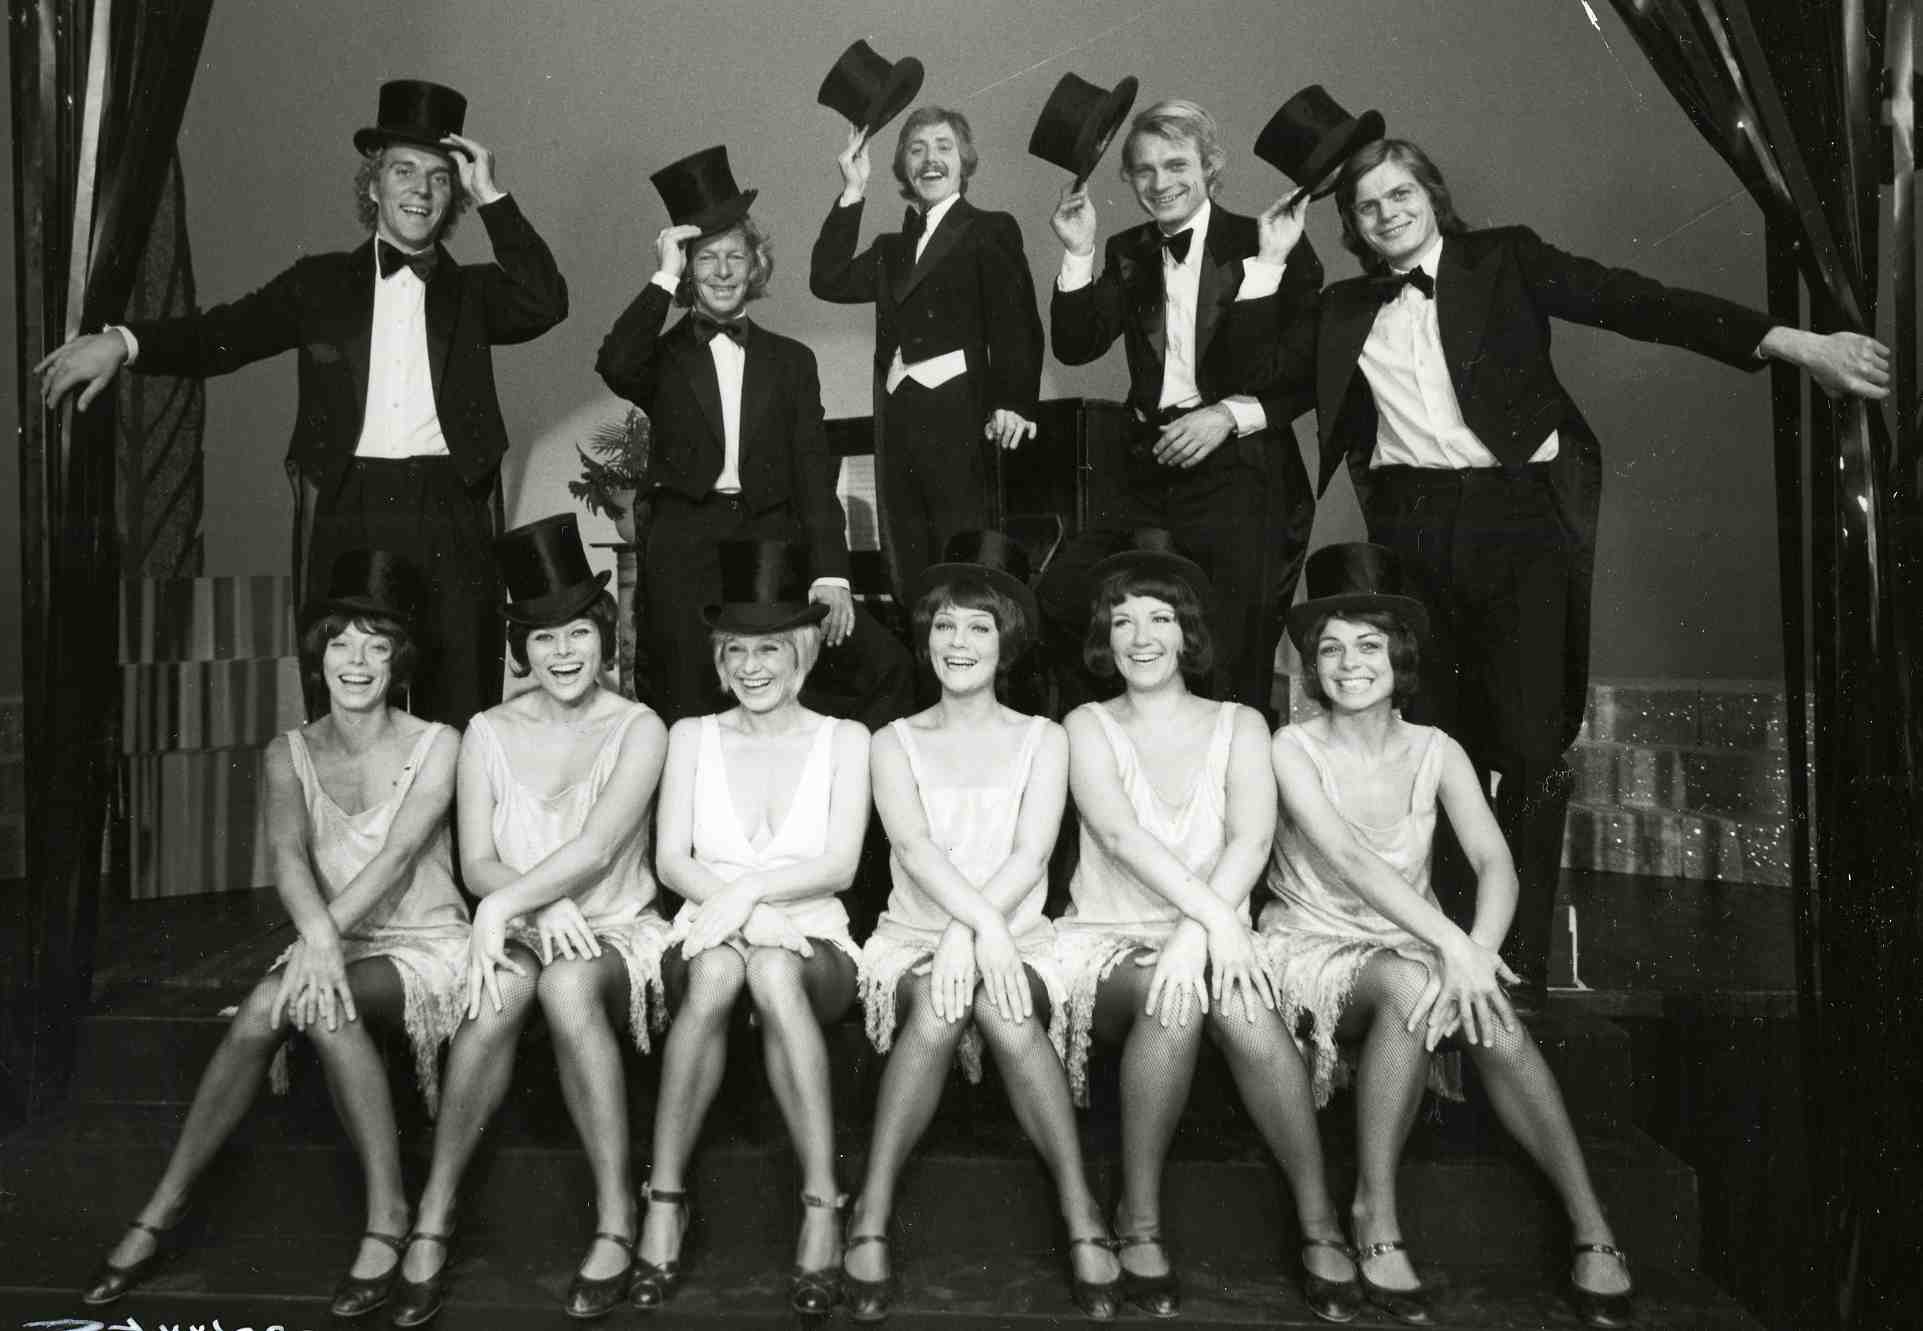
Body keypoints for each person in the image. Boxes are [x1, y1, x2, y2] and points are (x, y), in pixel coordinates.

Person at [1235, 136, 1891, 1000]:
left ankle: (1518, 973)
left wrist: (1793, 343)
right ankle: (1442, 956)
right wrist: (1268, 263)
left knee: (1530, 742)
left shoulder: (1502, 258)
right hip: (1411, 528)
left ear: (1431, 195)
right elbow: (1256, 375)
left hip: (1517, 518)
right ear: (1351, 226)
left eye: (1401, 194)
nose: (1387, 213)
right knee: (1432, 738)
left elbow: (1634, 301)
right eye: (1367, 206)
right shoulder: (1342, 306)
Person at [34, 80, 568, 726]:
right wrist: (123, 342)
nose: (422, 191)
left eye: (439, 178)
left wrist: (491, 195)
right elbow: (221, 337)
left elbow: (546, 300)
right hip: (348, 502)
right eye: (404, 170)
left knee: (459, 699)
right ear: (373, 186)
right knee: (347, 698)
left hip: (450, 506)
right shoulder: (318, 285)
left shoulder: (475, 294)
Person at [80, 550, 467, 1319]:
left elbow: (395, 857)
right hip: (338, 939)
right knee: (265, 1006)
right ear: (317, 656)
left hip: (426, 941)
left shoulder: (439, 742)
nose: (356, 662)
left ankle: (388, 1212)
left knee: (318, 1001)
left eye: (376, 646)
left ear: (398, 660)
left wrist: (318, 941)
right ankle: (164, 1204)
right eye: (340, 643)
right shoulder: (286, 751)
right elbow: (287, 856)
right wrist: (320, 939)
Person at [1264, 541, 1633, 1327]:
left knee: (1483, 1007)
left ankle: (1591, 1224)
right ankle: (1374, 1212)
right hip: (1310, 943)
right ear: (1312, 666)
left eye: (1367, 645)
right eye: (1329, 648)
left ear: (1398, 657)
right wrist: (1453, 949)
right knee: (1417, 979)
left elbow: (1496, 862)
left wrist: (1479, 951)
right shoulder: (1290, 747)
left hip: (1416, 942)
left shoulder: (1438, 749)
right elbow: (1349, 859)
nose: (1349, 663)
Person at [1052, 531, 1360, 1323]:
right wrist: (1210, 926)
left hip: (1211, 936)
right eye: (1123, 619)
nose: (1140, 636)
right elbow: (1118, 834)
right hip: (1106, 939)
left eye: (1159, 618)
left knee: (1244, 1008)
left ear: (1187, 632)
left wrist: (1198, 932)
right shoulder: (1084, 724)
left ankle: (1319, 1220)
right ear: (1104, 633)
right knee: (1173, 992)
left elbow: (1251, 841)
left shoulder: (1241, 723)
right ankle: (1139, 1216)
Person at [392, 514, 671, 1324]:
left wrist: (510, 904)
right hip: (521, 923)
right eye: (543, 636)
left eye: (578, 631)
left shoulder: (640, 726)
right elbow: (478, 859)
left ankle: (616, 1215)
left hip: (613, 926)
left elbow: (596, 847)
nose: (562, 652)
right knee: (496, 997)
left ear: (603, 635)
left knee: (567, 985)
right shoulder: (486, 730)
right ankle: (435, 1212)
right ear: (522, 647)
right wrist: (526, 906)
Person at [845, 531, 1121, 1322]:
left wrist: (972, 933)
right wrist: (965, 931)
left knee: (1002, 1006)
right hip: (913, 935)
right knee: (938, 1007)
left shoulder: (1045, 738)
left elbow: (1031, 853)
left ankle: (1077, 1207)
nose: (958, 642)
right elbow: (913, 848)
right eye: (944, 625)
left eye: (978, 626)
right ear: (925, 636)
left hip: (1014, 937)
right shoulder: (891, 741)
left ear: (1007, 644)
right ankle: (870, 1211)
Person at [596, 145, 911, 729]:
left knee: (882, 666)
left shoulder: (792, 361)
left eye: (734, 257)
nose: (722, 272)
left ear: (755, 265)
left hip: (773, 546)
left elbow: (812, 474)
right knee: (689, 702)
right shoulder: (662, 358)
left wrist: (831, 575)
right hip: (685, 551)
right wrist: (662, 273)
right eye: (705, 259)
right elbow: (615, 363)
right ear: (688, 271)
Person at [638, 539, 872, 1316]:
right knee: (717, 969)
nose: (750, 665)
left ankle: (821, 1201)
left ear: (801, 649)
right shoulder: (690, 735)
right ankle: (664, 1197)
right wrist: (739, 911)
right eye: (735, 649)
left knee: (770, 967)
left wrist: (751, 899)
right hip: (707, 932)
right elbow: (671, 860)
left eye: (768, 647)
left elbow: (839, 864)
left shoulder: (846, 739)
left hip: (811, 941)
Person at [1039, 99, 1323, 722]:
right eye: (1143, 170)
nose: (1159, 182)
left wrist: (1225, 416)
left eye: (1175, 165)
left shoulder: (1270, 241)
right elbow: (1077, 345)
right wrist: (1079, 251)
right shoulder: (1130, 249)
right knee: (1066, 598)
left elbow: (1303, 375)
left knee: (1231, 651)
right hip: (1149, 466)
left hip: (1243, 467)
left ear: (1210, 166)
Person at [809, 106, 1044, 602]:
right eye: (916, 150)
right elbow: (827, 280)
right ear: (903, 168)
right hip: (898, 425)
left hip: (961, 422)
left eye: (943, 147)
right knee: (909, 566)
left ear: (964, 161)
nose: (930, 159)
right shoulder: (890, 248)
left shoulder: (990, 228)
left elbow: (1016, 320)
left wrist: (1013, 400)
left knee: (963, 563)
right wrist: (853, 190)